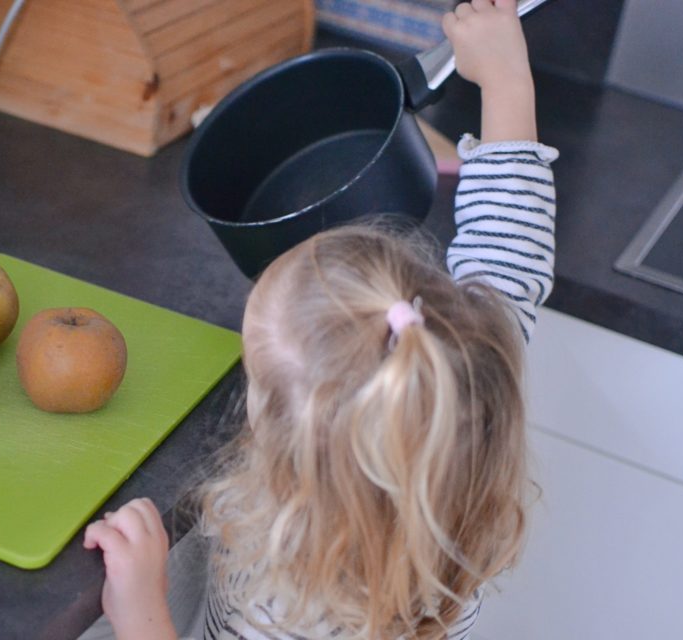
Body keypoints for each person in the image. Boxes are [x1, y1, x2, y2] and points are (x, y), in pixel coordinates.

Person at [81, 0, 558, 638]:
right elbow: (510, 250)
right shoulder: (463, 365)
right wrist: (505, 80)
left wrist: (142, 610)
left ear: (292, 466)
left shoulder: (296, 604)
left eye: (255, 382)